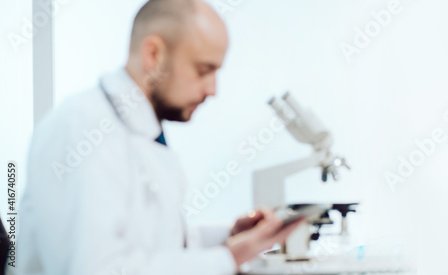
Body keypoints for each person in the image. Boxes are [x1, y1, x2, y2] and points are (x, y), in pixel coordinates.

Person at [8, 0, 303, 274]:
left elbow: (154, 247)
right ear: (154, 55)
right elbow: (98, 268)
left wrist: (229, 236)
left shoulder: (142, 133)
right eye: (204, 70)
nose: (213, 90)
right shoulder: (85, 127)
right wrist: (227, 258)